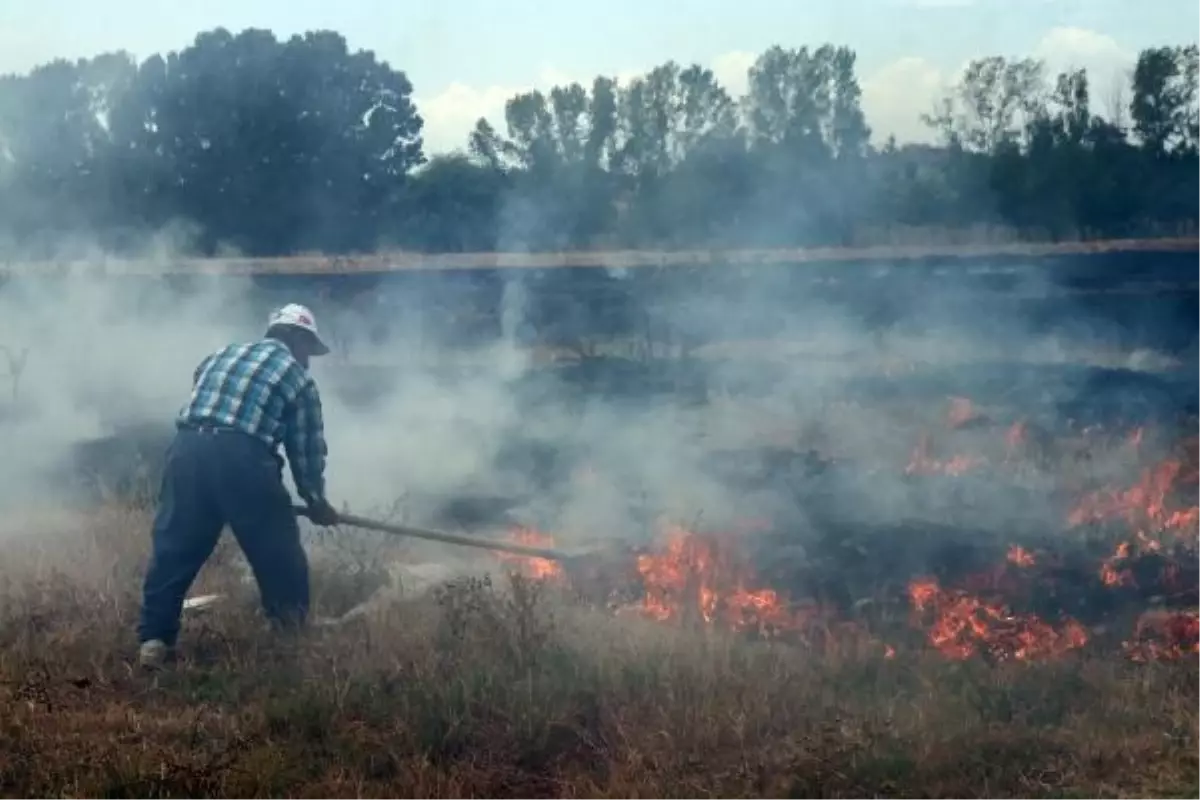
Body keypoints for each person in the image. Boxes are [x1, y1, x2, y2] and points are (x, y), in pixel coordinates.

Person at [137, 303, 341, 670]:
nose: (308, 360)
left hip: (186, 451)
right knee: (278, 551)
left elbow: (204, 395)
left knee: (174, 549)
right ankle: (291, 634)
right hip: (243, 457)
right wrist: (316, 500)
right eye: (308, 350)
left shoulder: (221, 354)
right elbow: (306, 449)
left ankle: (154, 640)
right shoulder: (297, 378)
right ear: (296, 338)